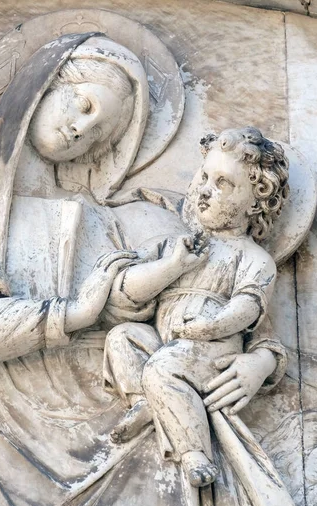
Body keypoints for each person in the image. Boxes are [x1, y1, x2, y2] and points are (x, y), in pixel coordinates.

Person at [0, 32, 317, 506]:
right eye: (85, 105)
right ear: (38, 89)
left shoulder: (123, 218)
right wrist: (73, 312)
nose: (85, 131)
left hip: (120, 442)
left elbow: (218, 291)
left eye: (106, 134)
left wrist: (262, 363)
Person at [104, 127, 287, 487]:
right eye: (204, 176)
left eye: (223, 184)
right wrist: (172, 266)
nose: (205, 190)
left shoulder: (253, 259)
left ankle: (194, 453)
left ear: (254, 202)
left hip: (208, 351)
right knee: (123, 338)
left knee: (162, 369)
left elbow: (250, 310)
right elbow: (127, 291)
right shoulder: (178, 245)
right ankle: (147, 402)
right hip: (166, 342)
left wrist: (210, 328)